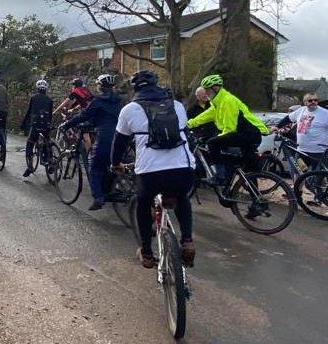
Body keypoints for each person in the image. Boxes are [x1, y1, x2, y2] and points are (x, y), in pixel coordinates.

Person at [111, 70, 197, 268]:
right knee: (182, 198)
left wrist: (116, 164)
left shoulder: (130, 109)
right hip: (183, 169)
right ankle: (187, 241)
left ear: (135, 88)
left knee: (143, 203)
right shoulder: (177, 106)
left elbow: (119, 143)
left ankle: (147, 254)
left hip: (151, 172)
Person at [187, 74, 268, 183]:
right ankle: (252, 194)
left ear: (215, 88)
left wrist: (219, 137)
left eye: (207, 90)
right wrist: (189, 124)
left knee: (212, 143)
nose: (205, 93)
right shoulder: (217, 103)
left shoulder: (227, 101)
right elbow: (205, 116)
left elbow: (230, 128)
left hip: (249, 134)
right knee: (249, 174)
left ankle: (222, 175)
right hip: (246, 133)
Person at [59, 74, 123, 210]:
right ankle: (109, 190)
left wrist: (67, 124)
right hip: (120, 136)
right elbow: (103, 117)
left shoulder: (98, 100)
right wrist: (89, 124)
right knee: (110, 164)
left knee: (94, 167)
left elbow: (84, 115)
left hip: (105, 136)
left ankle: (98, 198)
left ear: (100, 86)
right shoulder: (119, 99)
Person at [273, 92, 328, 169]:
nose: (313, 102)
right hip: (301, 151)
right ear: (305, 102)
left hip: (318, 153)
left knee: (317, 177)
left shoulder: (325, 113)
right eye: (310, 100)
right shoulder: (301, 110)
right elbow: (288, 118)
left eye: (315, 100)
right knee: (300, 175)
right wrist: (277, 127)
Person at [20, 79, 54, 178]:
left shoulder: (33, 98)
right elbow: (50, 114)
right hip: (46, 125)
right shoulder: (50, 100)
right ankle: (50, 161)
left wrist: (23, 124)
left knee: (30, 144)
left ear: (37, 88)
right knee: (47, 142)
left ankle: (30, 167)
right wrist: (49, 124)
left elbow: (29, 112)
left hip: (35, 125)